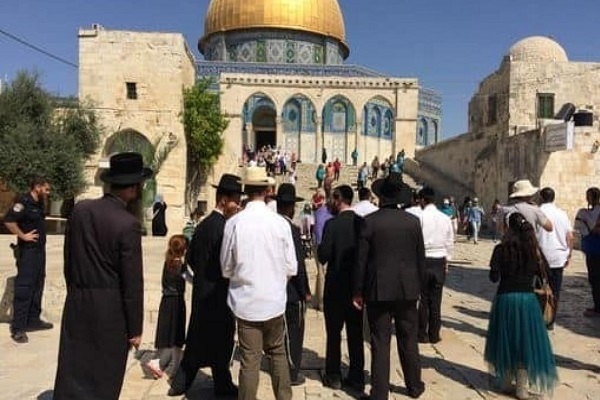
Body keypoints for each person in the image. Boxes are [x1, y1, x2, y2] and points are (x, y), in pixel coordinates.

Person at [53, 152, 151, 399]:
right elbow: (132, 282)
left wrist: (77, 290)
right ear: (134, 187)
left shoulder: (80, 210)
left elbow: (69, 260)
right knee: (104, 375)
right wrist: (135, 328)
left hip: (78, 302)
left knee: (74, 370)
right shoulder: (127, 224)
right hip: (110, 311)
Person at [221, 166, 297, 400]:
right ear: (267, 190)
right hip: (274, 303)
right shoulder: (280, 224)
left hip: (246, 304)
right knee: (278, 354)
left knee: (249, 360)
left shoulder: (234, 224)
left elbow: (226, 267)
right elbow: (291, 267)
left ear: (245, 190)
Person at [168, 174, 243, 397]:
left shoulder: (203, 226)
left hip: (202, 294)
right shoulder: (223, 228)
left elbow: (190, 261)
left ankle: (184, 384)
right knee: (220, 340)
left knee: (198, 341)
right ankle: (219, 386)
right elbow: (227, 264)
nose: (238, 205)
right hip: (218, 296)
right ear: (223, 199)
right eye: (235, 200)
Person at [353, 172, 426, 400]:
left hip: (378, 290)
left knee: (380, 341)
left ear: (381, 197)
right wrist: (420, 288)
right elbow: (419, 258)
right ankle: (414, 385)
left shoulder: (370, 222)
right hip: (407, 290)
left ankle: (379, 392)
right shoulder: (413, 222)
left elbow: (361, 260)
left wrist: (357, 291)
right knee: (408, 338)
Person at [484, 213, 558, 400]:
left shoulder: (501, 249)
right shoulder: (534, 250)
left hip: (505, 298)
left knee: (506, 339)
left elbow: (493, 277)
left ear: (508, 227)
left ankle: (507, 382)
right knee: (525, 343)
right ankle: (522, 389)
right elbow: (546, 275)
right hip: (527, 300)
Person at [318, 185, 365, 392]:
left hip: (335, 288)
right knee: (355, 334)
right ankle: (356, 377)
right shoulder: (362, 223)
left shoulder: (332, 225)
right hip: (356, 289)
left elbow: (323, 255)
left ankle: (334, 375)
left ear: (338, 199)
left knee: (334, 333)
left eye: (332, 199)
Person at [3, 176, 52, 343]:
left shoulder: (38, 202)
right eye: (46, 189)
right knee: (24, 287)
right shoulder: (23, 202)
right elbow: (9, 220)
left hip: (39, 251)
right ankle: (18, 328)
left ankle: (33, 320)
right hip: (28, 252)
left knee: (38, 284)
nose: (48, 192)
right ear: (37, 187)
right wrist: (23, 236)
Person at [273, 184, 312, 385]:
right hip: (290, 292)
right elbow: (297, 264)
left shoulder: (269, 225)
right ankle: (291, 372)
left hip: (270, 289)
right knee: (293, 333)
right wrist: (305, 290)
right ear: (291, 208)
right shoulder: (292, 230)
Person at [145, 235, 188, 379]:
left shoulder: (167, 262)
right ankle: (163, 364)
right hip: (176, 302)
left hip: (166, 301)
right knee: (176, 335)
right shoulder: (181, 266)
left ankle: (167, 364)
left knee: (166, 334)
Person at [417, 187, 454, 344]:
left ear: (423, 200)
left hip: (424, 259)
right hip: (439, 260)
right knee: (436, 300)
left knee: (423, 299)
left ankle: (422, 334)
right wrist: (448, 260)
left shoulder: (420, 217)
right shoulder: (445, 218)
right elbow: (450, 241)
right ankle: (434, 334)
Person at [536, 187, 573, 329]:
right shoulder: (562, 214)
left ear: (541, 197)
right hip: (558, 257)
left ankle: (540, 317)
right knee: (555, 289)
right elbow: (569, 235)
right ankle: (550, 320)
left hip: (541, 257)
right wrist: (569, 254)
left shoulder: (538, 212)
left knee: (539, 287)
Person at [574, 187, 600, 318]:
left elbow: (581, 228)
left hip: (594, 250)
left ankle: (597, 308)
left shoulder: (585, 213)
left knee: (595, 279)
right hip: (592, 249)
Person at [313, 191, 333, 311]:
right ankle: (321, 302)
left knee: (320, 272)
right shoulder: (323, 212)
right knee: (322, 273)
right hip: (322, 244)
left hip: (321, 243)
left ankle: (317, 299)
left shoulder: (321, 212)